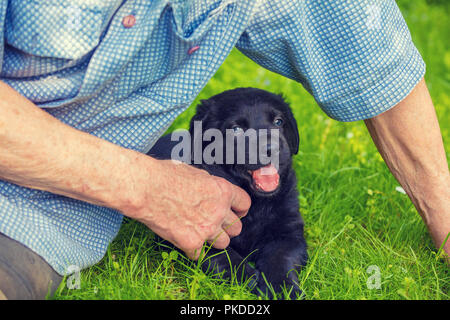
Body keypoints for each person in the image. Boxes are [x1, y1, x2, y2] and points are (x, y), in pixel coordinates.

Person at [0, 0, 448, 300]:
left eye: (276, 125)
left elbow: (376, 58)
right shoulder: (193, 153)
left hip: (56, 220)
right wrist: (148, 188)